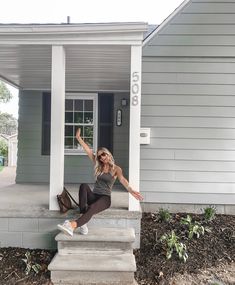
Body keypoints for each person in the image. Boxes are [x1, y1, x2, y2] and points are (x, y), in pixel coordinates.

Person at [57, 128, 143, 237]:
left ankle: (73, 225)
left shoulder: (116, 169)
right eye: (99, 156)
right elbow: (88, 150)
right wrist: (78, 138)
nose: (102, 158)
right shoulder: (99, 165)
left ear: (108, 154)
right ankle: (83, 221)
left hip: (105, 198)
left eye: (103, 154)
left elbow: (123, 180)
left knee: (92, 208)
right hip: (94, 195)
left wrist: (131, 190)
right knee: (83, 186)